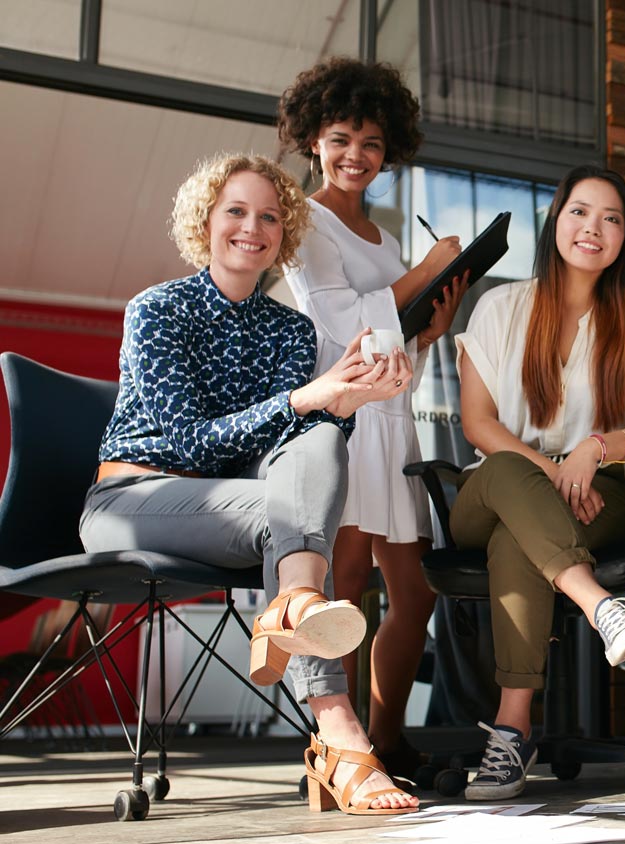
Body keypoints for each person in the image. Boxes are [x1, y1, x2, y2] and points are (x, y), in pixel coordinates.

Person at [79, 153, 419, 815]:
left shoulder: (291, 330)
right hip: (135, 500)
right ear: (205, 221)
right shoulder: (157, 310)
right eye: (235, 210)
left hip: (248, 509)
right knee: (294, 475)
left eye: (269, 216)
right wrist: (303, 399)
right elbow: (186, 444)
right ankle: (340, 736)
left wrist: (338, 410)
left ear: (284, 234)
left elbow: (292, 458)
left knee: (318, 440)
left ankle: (291, 604)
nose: (252, 227)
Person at [450, 165, 625, 801]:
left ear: (624, 238)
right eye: (580, 212)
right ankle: (600, 605)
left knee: (518, 541)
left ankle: (512, 731)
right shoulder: (499, 307)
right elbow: (477, 423)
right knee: (507, 475)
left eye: (611, 219)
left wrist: (597, 449)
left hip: (598, 495)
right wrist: (550, 469)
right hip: (494, 486)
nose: (593, 228)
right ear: (557, 221)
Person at [277, 56, 470, 777]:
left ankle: (386, 740)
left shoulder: (384, 239)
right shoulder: (304, 221)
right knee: (348, 586)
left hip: (395, 421)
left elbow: (392, 342)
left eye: (370, 144)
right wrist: (423, 273)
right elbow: (337, 321)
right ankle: (341, 751)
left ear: (390, 152)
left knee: (414, 593)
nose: (354, 156)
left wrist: (429, 326)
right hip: (348, 420)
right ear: (313, 141)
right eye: (339, 138)